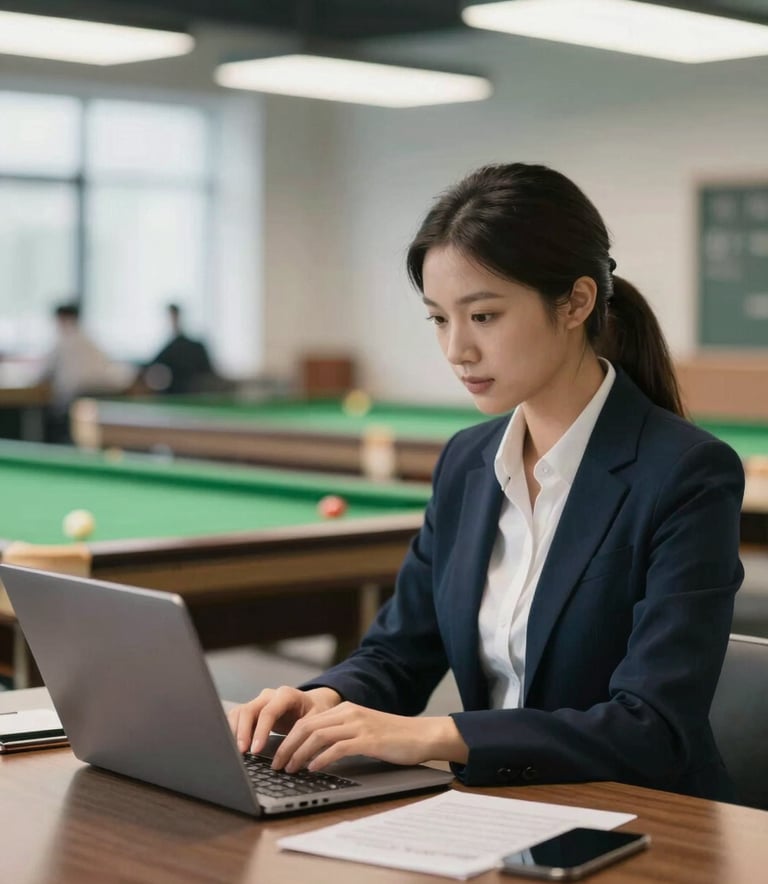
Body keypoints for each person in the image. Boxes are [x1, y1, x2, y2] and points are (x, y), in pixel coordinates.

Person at [228, 163, 744, 800]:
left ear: (577, 302)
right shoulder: (467, 462)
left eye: (484, 316)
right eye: (439, 319)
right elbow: (398, 653)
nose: (457, 350)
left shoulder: (687, 474)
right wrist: (320, 700)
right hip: (497, 807)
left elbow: (652, 728)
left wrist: (437, 735)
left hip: (645, 817)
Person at [41, 302, 135, 443]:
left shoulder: (63, 340)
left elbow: (44, 372)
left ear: (60, 318)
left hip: (78, 400)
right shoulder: (90, 339)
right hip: (101, 397)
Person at [142, 303, 219, 394]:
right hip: (177, 393)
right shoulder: (171, 347)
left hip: (193, 392)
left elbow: (208, 372)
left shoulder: (195, 346)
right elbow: (153, 364)